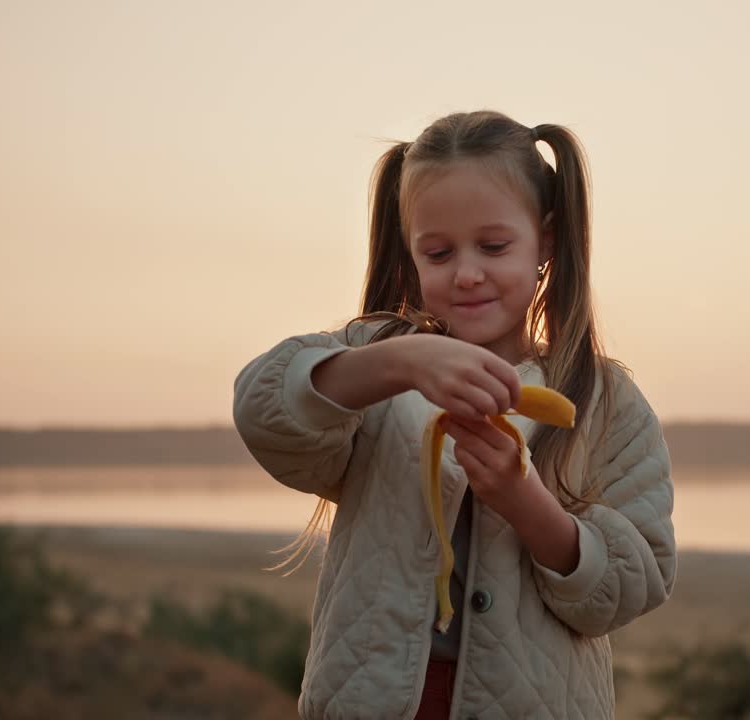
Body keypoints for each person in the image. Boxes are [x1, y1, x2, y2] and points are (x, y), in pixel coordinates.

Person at [232, 110, 676, 720]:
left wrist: (523, 499)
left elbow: (632, 586)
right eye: (438, 253)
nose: (467, 274)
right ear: (410, 252)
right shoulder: (375, 358)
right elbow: (265, 410)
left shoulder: (605, 400)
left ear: (545, 241)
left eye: (493, 247)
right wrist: (399, 360)